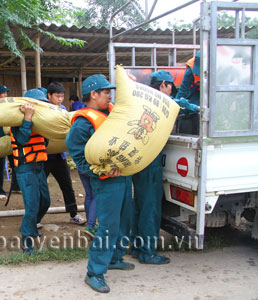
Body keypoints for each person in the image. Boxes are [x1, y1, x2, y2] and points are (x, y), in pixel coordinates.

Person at [67, 75, 134, 293]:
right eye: (106, 92)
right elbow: (76, 152)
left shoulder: (110, 112)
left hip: (122, 176)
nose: (109, 96)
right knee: (107, 227)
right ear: (93, 95)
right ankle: (94, 272)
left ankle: (114, 258)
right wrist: (99, 172)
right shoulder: (83, 122)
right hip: (106, 182)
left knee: (124, 220)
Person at [129, 70, 174, 265]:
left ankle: (137, 247)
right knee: (150, 208)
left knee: (139, 206)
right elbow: (184, 106)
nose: (172, 90)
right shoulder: (161, 104)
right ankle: (148, 252)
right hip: (151, 163)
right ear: (164, 85)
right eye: (171, 86)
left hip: (140, 161)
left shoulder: (144, 100)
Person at [10, 89, 50, 253]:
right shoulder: (16, 122)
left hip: (39, 166)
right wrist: (27, 118)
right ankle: (26, 241)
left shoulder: (40, 123)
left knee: (45, 202)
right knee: (32, 206)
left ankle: (31, 226)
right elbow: (22, 139)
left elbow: (44, 142)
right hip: (25, 169)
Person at [45, 82, 86, 225]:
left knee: (67, 186)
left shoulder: (63, 110)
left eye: (62, 96)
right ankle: (35, 218)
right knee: (40, 188)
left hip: (59, 157)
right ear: (49, 95)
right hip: (44, 157)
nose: (60, 99)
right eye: (57, 96)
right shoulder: (42, 110)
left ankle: (73, 214)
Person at [175, 50, 201, 134]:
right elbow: (183, 90)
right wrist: (177, 107)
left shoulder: (221, 68)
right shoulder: (191, 68)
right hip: (195, 93)